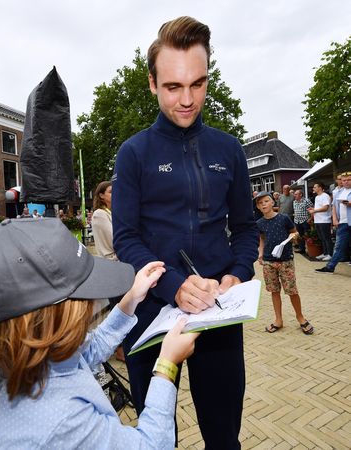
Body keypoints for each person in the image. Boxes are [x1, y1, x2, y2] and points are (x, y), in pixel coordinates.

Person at [112, 16, 259, 449]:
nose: (188, 99)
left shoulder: (229, 149)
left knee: (224, 436)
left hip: (218, 311)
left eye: (198, 83)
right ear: (152, 83)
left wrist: (236, 274)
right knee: (156, 438)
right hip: (151, 314)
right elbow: (126, 239)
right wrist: (174, 286)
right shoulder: (133, 153)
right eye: (173, 87)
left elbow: (245, 229)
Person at [0, 218, 200, 449]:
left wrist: (130, 300)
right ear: (50, 315)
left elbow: (86, 352)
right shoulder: (61, 421)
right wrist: (167, 366)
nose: (91, 305)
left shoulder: (25, 357)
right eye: (83, 296)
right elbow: (151, 445)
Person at [255, 192, 314, 335]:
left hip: (286, 260)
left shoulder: (284, 218)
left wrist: (294, 237)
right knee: (274, 291)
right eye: (260, 203)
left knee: (292, 291)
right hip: (268, 261)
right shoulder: (259, 223)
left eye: (266, 201)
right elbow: (262, 239)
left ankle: (300, 317)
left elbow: (294, 233)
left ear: (272, 203)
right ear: (258, 207)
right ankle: (278, 320)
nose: (263, 204)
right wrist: (260, 253)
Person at [92, 180, 125, 361]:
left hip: (121, 265)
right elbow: (117, 239)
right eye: (111, 191)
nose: (116, 193)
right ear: (101, 195)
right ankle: (119, 348)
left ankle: (122, 346)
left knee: (124, 306)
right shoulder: (100, 214)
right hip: (112, 266)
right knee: (118, 308)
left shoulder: (114, 212)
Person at [315, 172, 351, 273]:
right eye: (344, 180)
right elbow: (334, 206)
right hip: (343, 223)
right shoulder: (338, 192)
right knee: (339, 246)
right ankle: (330, 267)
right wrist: (334, 218)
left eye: (349, 180)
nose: (346, 182)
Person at [308, 182, 333, 261]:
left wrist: (314, 210)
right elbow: (320, 208)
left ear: (320, 187)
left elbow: (325, 208)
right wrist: (313, 209)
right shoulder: (317, 197)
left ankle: (330, 254)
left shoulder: (325, 196)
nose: (313, 188)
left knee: (326, 238)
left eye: (315, 187)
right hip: (318, 220)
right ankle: (325, 253)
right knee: (322, 238)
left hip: (324, 220)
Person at [293, 189, 313, 254]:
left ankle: (309, 250)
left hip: (305, 221)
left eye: (296, 194)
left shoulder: (306, 201)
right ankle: (302, 249)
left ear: (301, 194)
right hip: (297, 221)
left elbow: (312, 210)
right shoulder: (294, 202)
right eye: (294, 194)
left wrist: (310, 219)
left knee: (307, 235)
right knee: (300, 236)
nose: (294, 195)